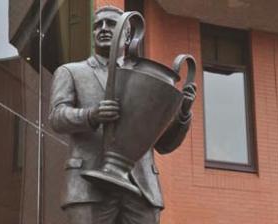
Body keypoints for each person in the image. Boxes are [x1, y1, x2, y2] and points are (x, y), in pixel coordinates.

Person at [49, 5, 196, 224]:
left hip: (141, 187)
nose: (105, 29)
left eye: (112, 24)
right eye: (98, 25)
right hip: (89, 185)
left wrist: (182, 113)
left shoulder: (149, 81)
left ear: (128, 35)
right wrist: (92, 115)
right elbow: (57, 118)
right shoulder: (71, 72)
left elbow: (164, 145)